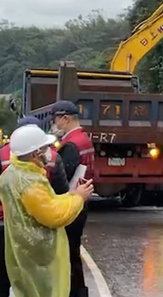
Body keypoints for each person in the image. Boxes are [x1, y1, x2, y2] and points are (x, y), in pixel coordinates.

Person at [0, 124, 92, 297]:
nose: (49, 151)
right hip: (38, 253)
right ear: (36, 154)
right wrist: (79, 198)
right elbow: (54, 215)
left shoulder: (12, 173)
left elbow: (45, 202)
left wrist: (70, 196)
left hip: (23, 249)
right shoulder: (30, 182)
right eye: (45, 148)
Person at [51, 101, 95, 297]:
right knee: (73, 253)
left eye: (55, 121)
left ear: (65, 119)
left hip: (71, 204)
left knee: (66, 254)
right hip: (81, 204)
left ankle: (73, 292)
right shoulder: (84, 139)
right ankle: (79, 291)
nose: (54, 125)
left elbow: (61, 178)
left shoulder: (71, 145)